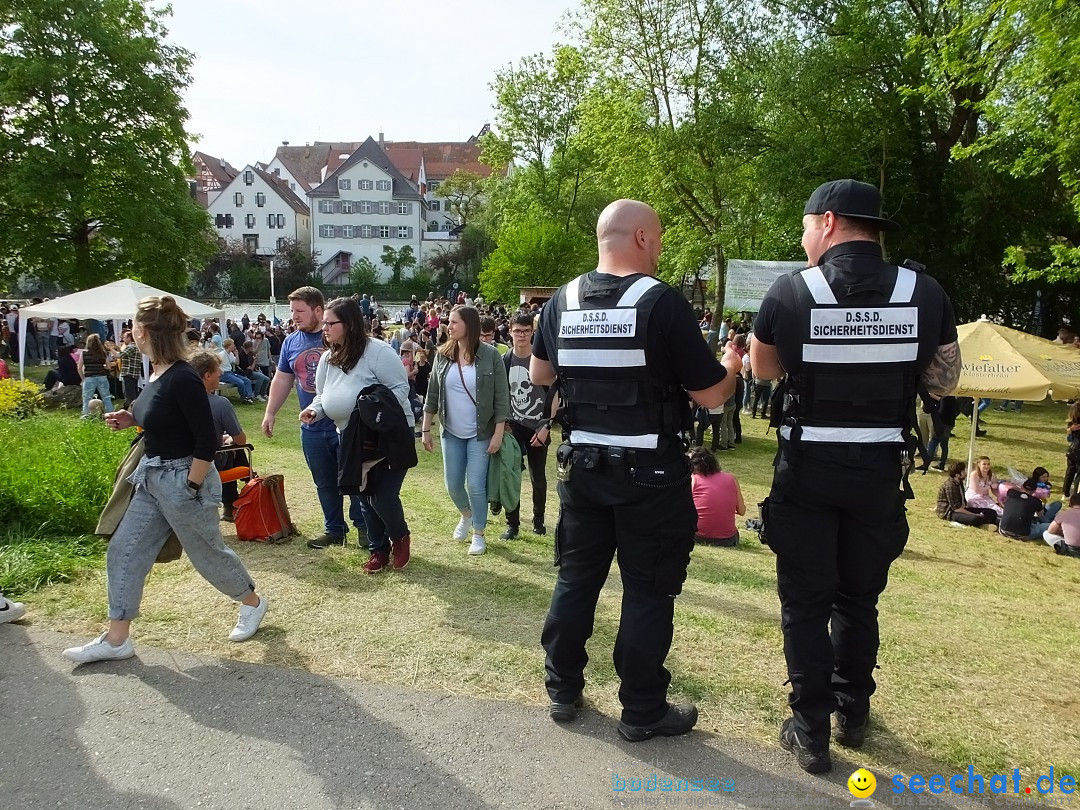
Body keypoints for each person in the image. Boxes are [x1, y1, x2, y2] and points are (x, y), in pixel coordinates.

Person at [749, 179, 960, 773]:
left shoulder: (792, 291)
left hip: (808, 469)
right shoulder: (926, 290)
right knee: (859, 598)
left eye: (805, 225)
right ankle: (853, 712)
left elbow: (763, 371)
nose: (802, 236)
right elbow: (943, 383)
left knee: (805, 602)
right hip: (878, 472)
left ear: (830, 222)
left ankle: (810, 731)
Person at [530, 199, 741, 742]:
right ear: (643, 237)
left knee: (576, 579)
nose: (662, 246)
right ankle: (642, 708)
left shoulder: (563, 300)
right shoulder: (661, 302)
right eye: (662, 236)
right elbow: (711, 394)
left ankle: (562, 687)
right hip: (649, 473)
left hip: (583, 470)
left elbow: (540, 373)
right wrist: (735, 367)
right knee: (647, 591)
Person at [62, 296, 268, 664]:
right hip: (152, 477)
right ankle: (117, 639)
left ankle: (252, 602)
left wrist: (190, 485)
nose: (130, 333)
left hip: (180, 478)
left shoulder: (183, 376)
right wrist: (131, 418)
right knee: (124, 551)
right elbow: (161, 416)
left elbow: (206, 439)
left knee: (207, 555)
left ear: (142, 332)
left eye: (132, 327)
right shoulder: (157, 371)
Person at [301, 297, 415, 574]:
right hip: (351, 439)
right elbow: (322, 395)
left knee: (383, 496)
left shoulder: (378, 351)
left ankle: (399, 537)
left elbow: (399, 390)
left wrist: (371, 413)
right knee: (362, 496)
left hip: (387, 437)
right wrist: (315, 410)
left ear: (349, 324)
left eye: (331, 323)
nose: (324, 328)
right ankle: (378, 550)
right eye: (324, 323)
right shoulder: (329, 358)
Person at [262, 287, 366, 551]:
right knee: (324, 481)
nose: (294, 316)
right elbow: (283, 378)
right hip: (312, 427)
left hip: (345, 426)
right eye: (292, 311)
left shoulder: (336, 337)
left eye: (300, 311)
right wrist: (270, 412)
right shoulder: (290, 342)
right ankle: (334, 530)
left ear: (318, 311)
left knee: (354, 480)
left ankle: (365, 529)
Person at [420, 305, 509, 556]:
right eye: (449, 322)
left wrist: (499, 432)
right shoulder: (442, 354)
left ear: (469, 325)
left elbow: (502, 398)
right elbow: (432, 394)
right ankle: (467, 515)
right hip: (451, 431)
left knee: (476, 485)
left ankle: (479, 534)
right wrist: (426, 429)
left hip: (482, 432)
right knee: (453, 485)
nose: (450, 326)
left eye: (455, 322)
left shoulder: (491, 355)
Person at [500, 313, 553, 539]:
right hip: (514, 425)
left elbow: (555, 395)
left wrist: (546, 426)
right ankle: (512, 524)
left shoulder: (542, 359)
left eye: (526, 330)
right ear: (510, 332)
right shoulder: (505, 361)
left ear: (532, 332)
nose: (521, 335)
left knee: (537, 478)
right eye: (517, 330)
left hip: (538, 425)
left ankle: (538, 519)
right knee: (511, 475)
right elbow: (500, 395)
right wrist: (502, 424)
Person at [189, 350, 247, 523]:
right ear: (207, 375)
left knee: (226, 448)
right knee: (233, 449)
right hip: (208, 462)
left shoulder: (173, 400)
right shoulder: (220, 404)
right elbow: (240, 440)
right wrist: (228, 440)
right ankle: (232, 502)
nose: (221, 373)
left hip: (180, 461)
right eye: (217, 370)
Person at [690, 447, 745, 546]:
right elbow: (742, 511)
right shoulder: (731, 478)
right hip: (728, 539)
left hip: (698, 536)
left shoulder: (693, 481)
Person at [78, 334, 114, 418]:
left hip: (89, 377)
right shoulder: (103, 353)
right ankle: (111, 414)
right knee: (106, 397)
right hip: (102, 377)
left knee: (87, 398)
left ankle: (86, 415)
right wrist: (103, 366)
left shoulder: (84, 353)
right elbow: (109, 367)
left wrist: (83, 378)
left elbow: (79, 367)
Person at [118, 330, 141, 408]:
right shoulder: (136, 347)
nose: (123, 339)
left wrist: (111, 349)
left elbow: (120, 355)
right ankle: (135, 409)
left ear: (129, 338)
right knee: (134, 393)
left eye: (124, 337)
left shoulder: (131, 347)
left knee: (129, 395)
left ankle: (131, 411)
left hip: (128, 373)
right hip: (133, 374)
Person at [1065, 402, 1080, 498]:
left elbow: (1069, 439)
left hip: (1071, 451)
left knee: (1069, 472)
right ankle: (1075, 494)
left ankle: (1065, 492)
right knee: (1078, 474)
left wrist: (1070, 430)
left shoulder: (1071, 424)